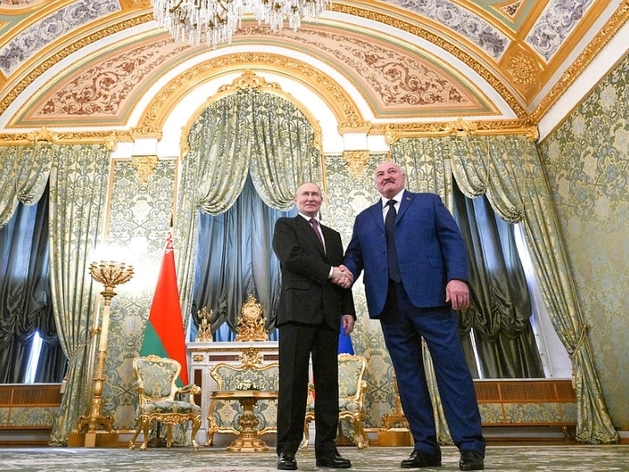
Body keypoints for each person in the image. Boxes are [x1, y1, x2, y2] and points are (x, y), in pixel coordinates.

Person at [342, 161, 486, 471]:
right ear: (375, 182)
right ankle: (425, 447)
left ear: (403, 177)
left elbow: (452, 241)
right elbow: (354, 255)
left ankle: (470, 446)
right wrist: (346, 273)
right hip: (390, 305)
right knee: (408, 378)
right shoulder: (364, 218)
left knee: (453, 372)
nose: (386, 177)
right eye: (380, 174)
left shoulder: (427, 203)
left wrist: (457, 278)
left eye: (391, 172)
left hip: (433, 299)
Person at [272, 182, 356, 470]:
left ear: (321, 199)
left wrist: (347, 310)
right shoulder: (285, 226)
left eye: (315, 194)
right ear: (296, 200)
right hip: (296, 313)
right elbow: (292, 258)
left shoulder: (333, 236)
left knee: (328, 385)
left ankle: (327, 451)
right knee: (293, 384)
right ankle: (287, 451)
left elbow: (343, 274)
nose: (310, 198)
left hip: (329, 315)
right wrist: (330, 271)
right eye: (305, 194)